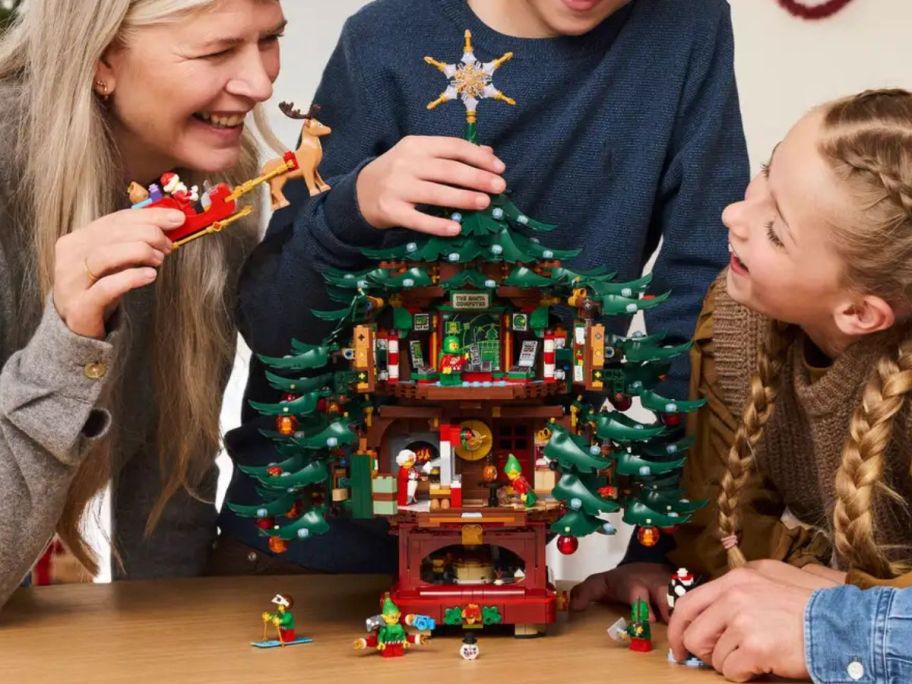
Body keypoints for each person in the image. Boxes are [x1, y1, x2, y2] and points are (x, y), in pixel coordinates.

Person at [215, 0, 749, 575]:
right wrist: (353, 207)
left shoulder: (688, 24)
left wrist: (664, 549)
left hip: (504, 545)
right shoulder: (384, 38)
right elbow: (274, 329)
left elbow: (706, 295)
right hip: (300, 549)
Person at [572, 88, 912, 678]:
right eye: (765, 174)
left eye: (777, 231)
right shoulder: (737, 324)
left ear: (860, 313)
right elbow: (720, 514)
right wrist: (662, 560)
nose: (734, 214)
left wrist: (843, 613)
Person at [0, 0, 286, 610]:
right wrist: (70, 342)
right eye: (216, 51)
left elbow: (176, 462)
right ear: (103, 58)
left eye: (270, 40)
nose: (260, 83)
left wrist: (164, 644)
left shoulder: (222, 192)